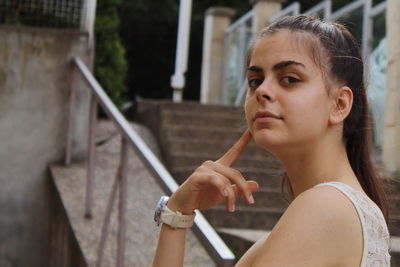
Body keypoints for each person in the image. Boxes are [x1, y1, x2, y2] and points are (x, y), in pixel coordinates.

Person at [152, 15, 391, 266]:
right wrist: (177, 212)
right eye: (255, 80)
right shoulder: (331, 209)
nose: (263, 91)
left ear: (340, 104)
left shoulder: (326, 207)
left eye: (289, 79)